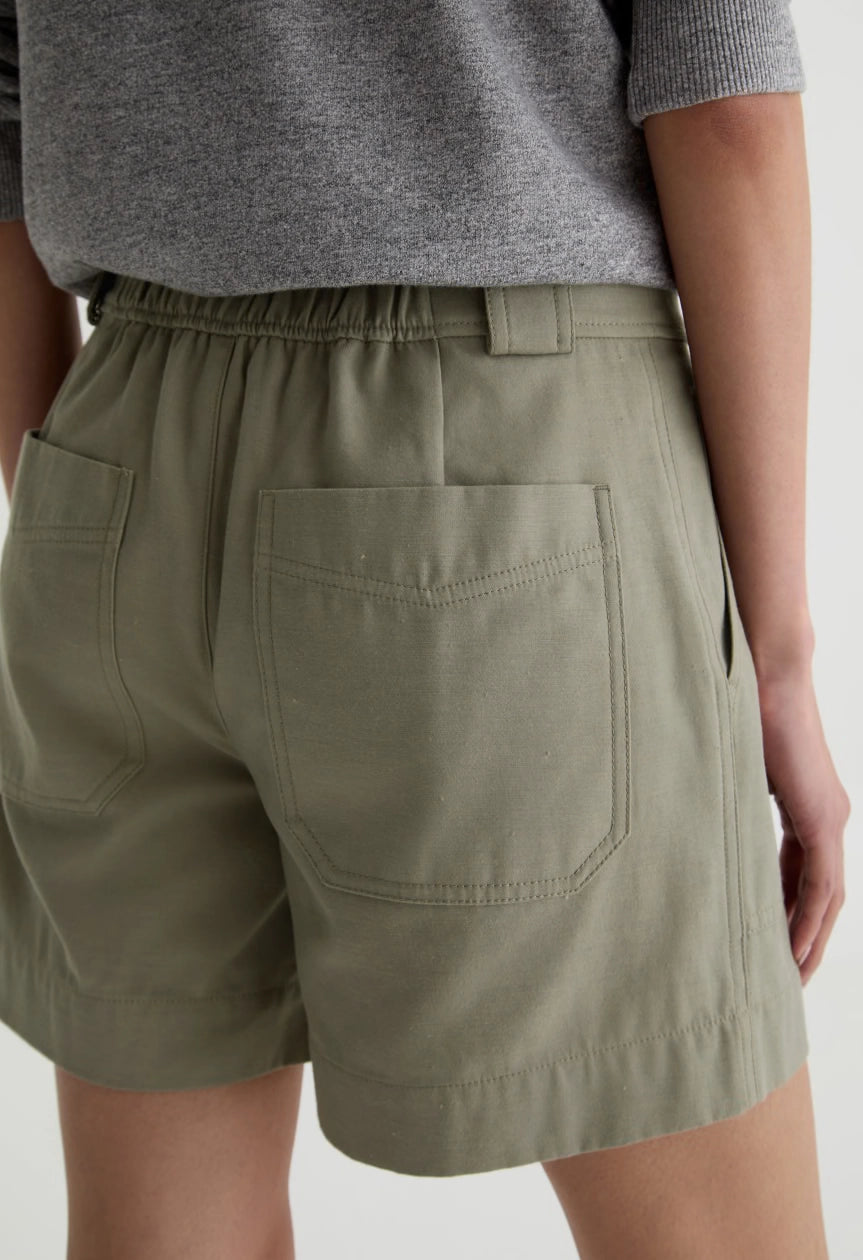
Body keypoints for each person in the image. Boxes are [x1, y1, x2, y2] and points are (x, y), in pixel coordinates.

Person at [0, 2, 849, 1257]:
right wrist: (775, 663)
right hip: (496, 453)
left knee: (162, 1231)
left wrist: (70, 501)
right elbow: (723, 113)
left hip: (113, 458)